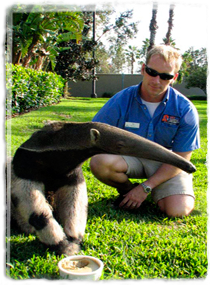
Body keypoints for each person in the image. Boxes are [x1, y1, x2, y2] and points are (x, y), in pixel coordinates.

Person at [90, 45, 200, 218]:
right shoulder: (121, 99)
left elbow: (182, 157)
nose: (157, 80)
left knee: (178, 211)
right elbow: (94, 133)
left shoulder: (185, 109)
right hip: (130, 158)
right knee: (99, 162)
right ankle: (129, 191)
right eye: (152, 72)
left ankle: (151, 191)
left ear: (174, 78)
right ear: (143, 69)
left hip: (167, 162)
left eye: (165, 76)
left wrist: (147, 186)